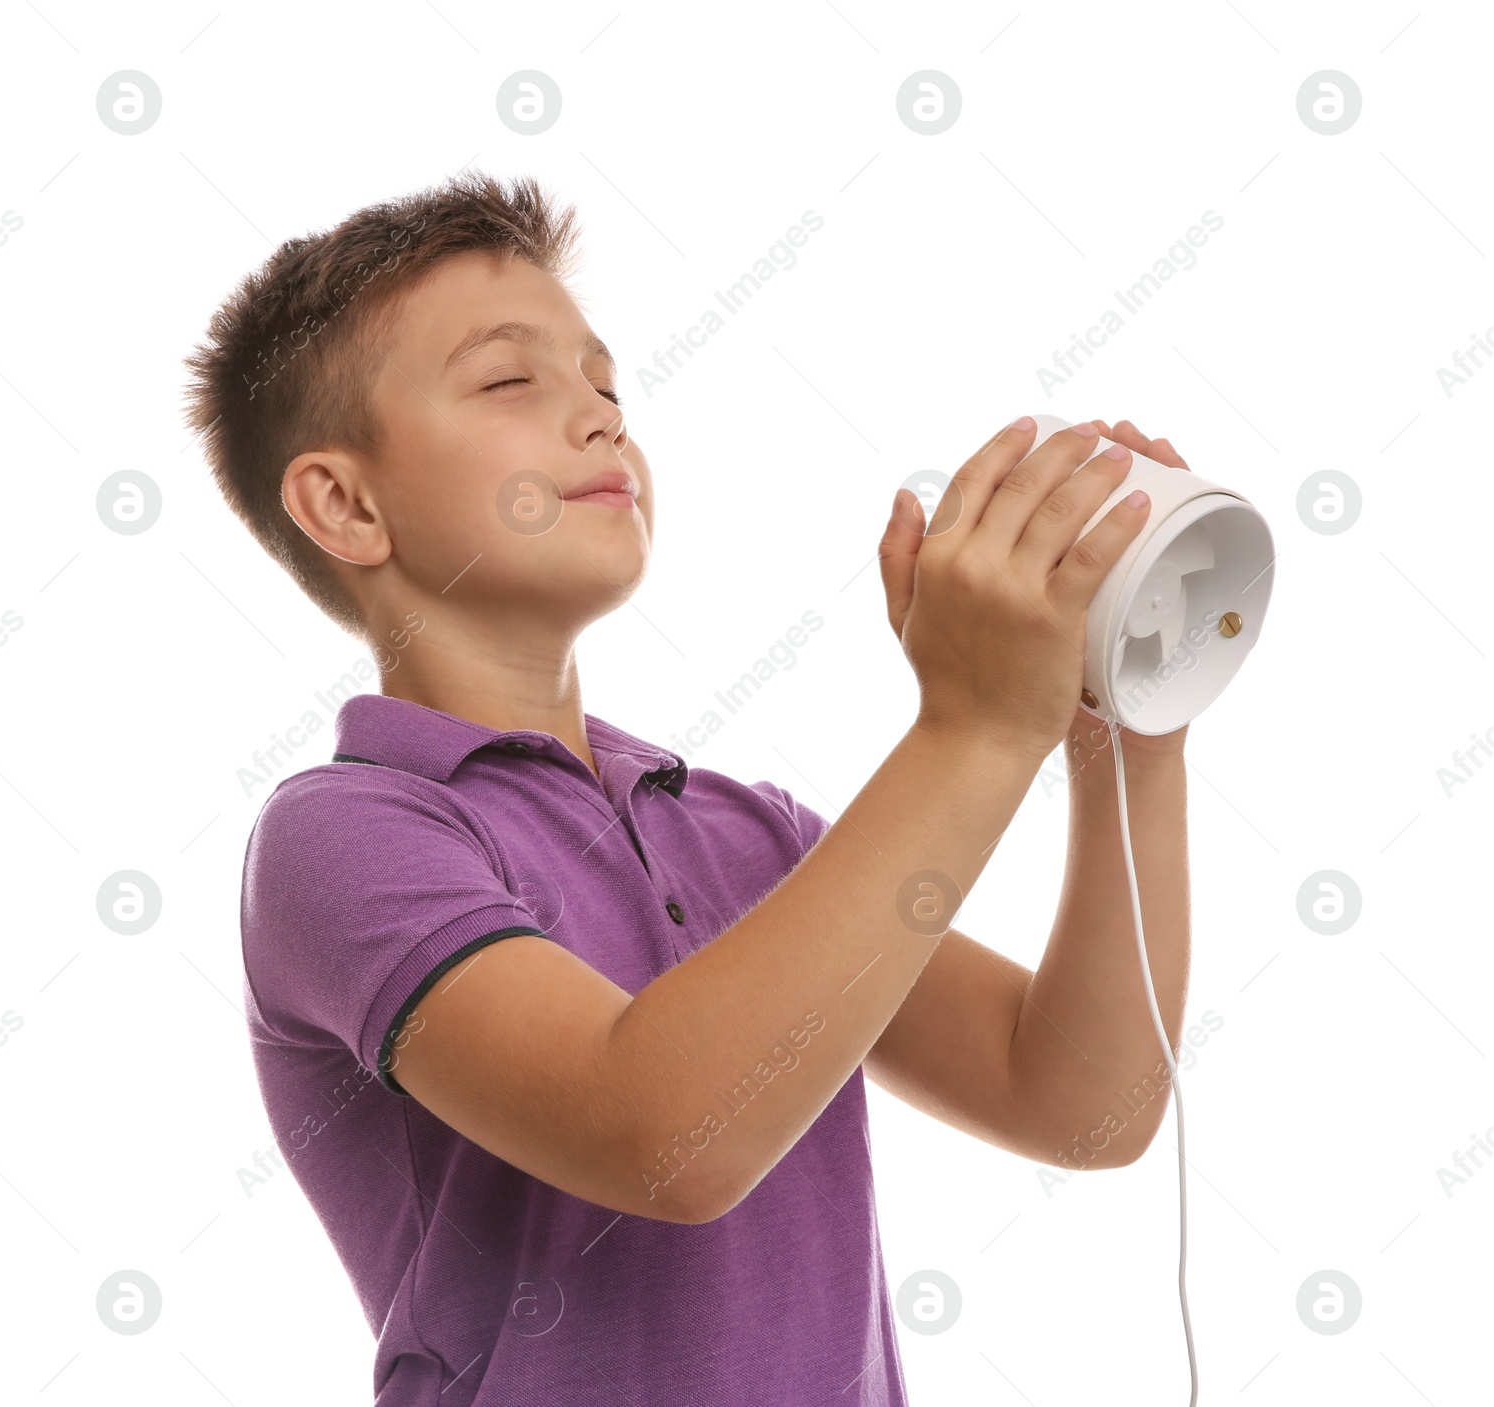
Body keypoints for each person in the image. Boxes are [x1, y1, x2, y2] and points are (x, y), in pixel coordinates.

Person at [182, 168, 1193, 1406]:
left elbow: (1082, 1101)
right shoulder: (342, 838)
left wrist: (1121, 730)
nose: (602, 418)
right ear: (343, 503)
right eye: (511, 381)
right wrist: (977, 726)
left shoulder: (749, 838)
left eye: (606, 385)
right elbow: (661, 1131)